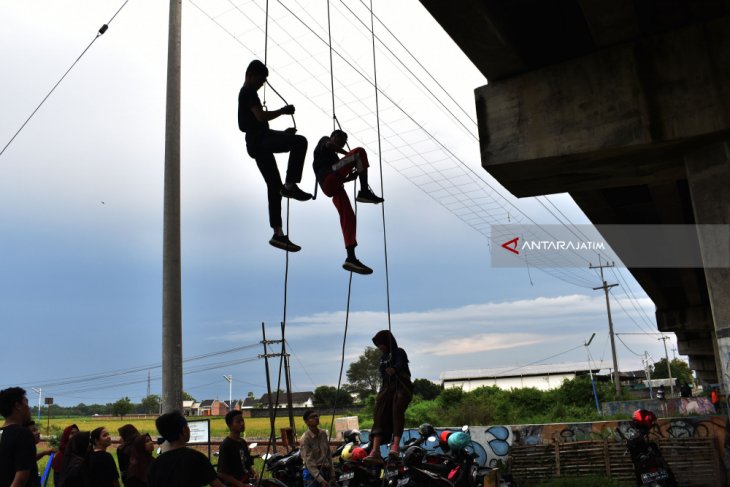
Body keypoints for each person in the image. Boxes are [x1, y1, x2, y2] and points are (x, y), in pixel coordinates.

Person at [238, 59, 312, 252]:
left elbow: (258, 122)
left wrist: (283, 134)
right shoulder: (248, 92)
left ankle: (277, 233)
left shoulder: (247, 93)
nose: (262, 85)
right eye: (261, 80)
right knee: (300, 142)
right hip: (260, 140)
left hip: (257, 144)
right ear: (252, 75)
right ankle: (290, 186)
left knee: (274, 186)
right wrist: (283, 111)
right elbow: (261, 118)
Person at [312, 130, 384, 274]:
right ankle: (364, 191)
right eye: (340, 138)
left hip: (334, 185)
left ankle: (350, 257)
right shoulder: (324, 140)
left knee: (349, 217)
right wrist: (349, 155)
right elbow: (330, 145)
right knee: (359, 152)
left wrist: (348, 178)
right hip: (329, 179)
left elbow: (338, 169)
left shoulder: (333, 158)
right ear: (333, 136)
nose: (342, 141)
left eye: (344, 140)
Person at [364, 330, 413, 464]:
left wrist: (395, 369)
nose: (380, 347)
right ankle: (375, 451)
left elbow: (401, 364)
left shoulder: (399, 352)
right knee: (379, 415)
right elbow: (382, 373)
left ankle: (395, 446)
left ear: (387, 341)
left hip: (401, 387)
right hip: (387, 388)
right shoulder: (382, 358)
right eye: (378, 345)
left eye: (381, 344)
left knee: (396, 411)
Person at [147, 410, 224, 487]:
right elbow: (217, 485)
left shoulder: (156, 463)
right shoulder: (197, 458)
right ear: (184, 430)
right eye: (187, 426)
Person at [0, 387, 38, 487]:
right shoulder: (23, 434)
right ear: (18, 406)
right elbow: (20, 480)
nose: (29, 408)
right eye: (26, 403)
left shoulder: (2, 433)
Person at [217, 410, 255, 487]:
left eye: (242, 420)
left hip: (247, 480)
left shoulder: (243, 442)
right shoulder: (226, 445)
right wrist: (241, 485)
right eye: (238, 422)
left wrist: (254, 472)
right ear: (230, 425)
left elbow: (246, 464)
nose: (242, 423)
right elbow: (222, 473)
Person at [299, 410, 335, 487]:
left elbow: (328, 455)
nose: (316, 418)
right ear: (306, 422)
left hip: (326, 470)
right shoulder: (305, 438)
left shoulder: (323, 433)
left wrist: (333, 474)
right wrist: (320, 480)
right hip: (312, 474)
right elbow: (309, 462)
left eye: (316, 416)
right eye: (312, 417)